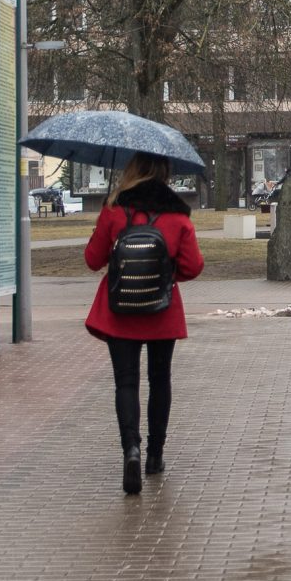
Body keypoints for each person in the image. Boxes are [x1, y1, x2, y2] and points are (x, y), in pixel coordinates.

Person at [84, 154, 206, 493]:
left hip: (119, 309)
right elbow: (194, 266)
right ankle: (155, 455)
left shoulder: (114, 209)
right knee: (159, 379)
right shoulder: (178, 215)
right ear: (166, 172)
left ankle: (131, 451)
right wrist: (166, 276)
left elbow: (92, 260)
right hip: (161, 310)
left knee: (126, 383)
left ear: (133, 170)